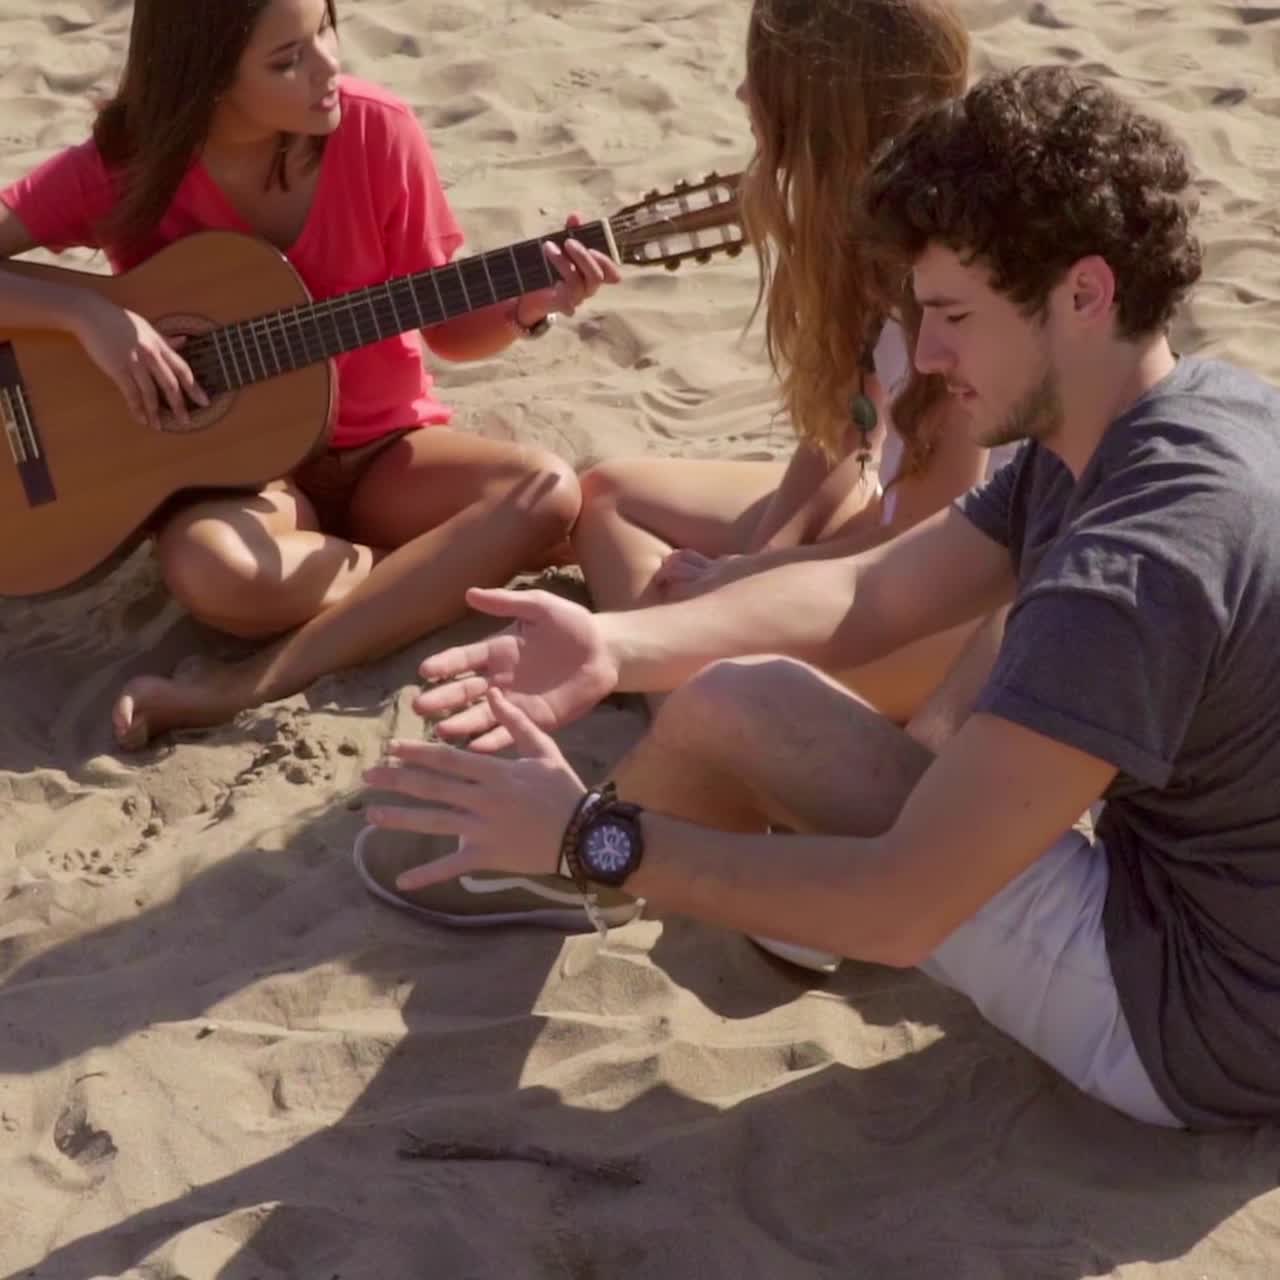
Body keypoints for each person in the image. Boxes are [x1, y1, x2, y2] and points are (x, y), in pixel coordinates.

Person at [360, 66, 1280, 1131]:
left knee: (743, 732)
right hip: (1223, 919)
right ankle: (601, 855)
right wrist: (614, 643)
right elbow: (866, 591)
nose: (926, 357)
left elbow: (898, 909)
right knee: (738, 694)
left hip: (1192, 1020)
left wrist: (585, 835)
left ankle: (574, 865)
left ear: (1083, 292)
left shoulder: (1132, 563)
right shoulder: (1172, 411)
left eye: (950, 315)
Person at [0, 0, 620, 748]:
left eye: (327, 27)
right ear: (207, 81)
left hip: (382, 454)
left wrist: (529, 306)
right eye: (288, 59)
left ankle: (323, 632)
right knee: (214, 574)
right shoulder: (127, 168)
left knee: (544, 490)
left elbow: (446, 334)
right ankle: (426, 575)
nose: (330, 66)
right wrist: (90, 319)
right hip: (237, 485)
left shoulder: (378, 132)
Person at [572, 0, 995, 728]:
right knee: (610, 496)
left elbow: (924, 553)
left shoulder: (956, 283)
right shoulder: (867, 233)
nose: (743, 95)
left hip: (964, 608)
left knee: (716, 675)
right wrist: (768, 552)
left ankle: (688, 709)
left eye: (766, 80)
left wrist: (751, 582)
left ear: (828, 114)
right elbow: (844, 430)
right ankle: (673, 681)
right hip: (886, 537)